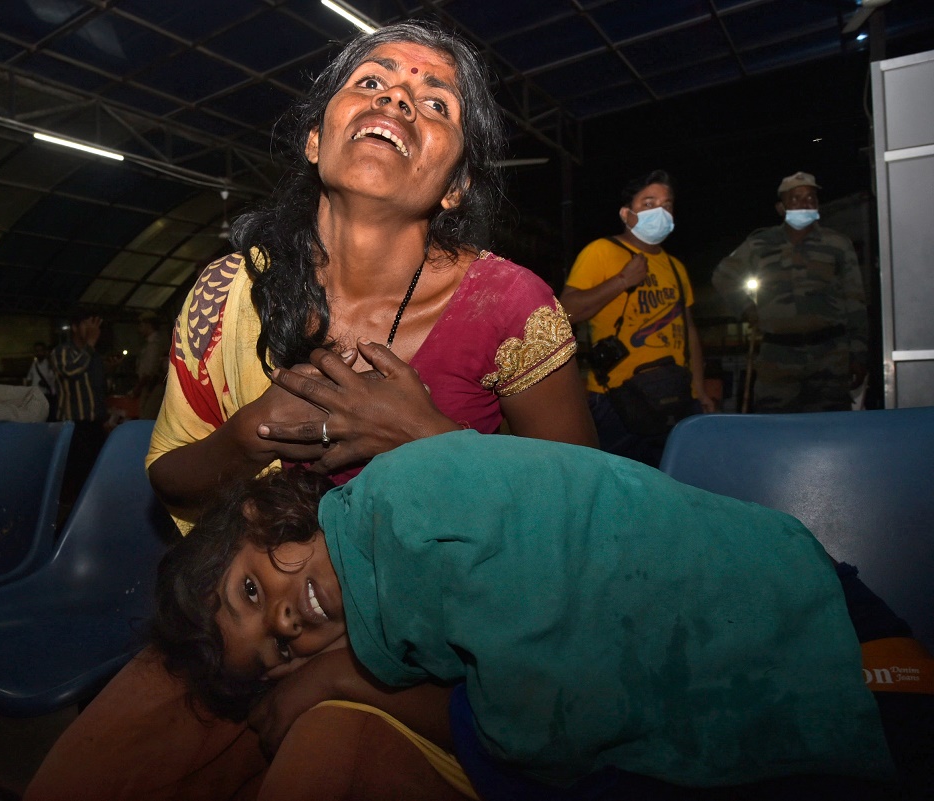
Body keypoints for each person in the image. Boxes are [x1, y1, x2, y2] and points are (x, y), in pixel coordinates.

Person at [26, 21, 596, 801]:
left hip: (427, 664)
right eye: (370, 80)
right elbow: (172, 481)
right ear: (312, 141)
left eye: (436, 102)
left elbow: (587, 536)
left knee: (328, 758)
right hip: (241, 632)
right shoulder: (226, 295)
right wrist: (246, 432)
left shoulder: (512, 308)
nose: (396, 95)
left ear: (456, 184)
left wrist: (427, 439)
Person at [153, 431, 898, 798]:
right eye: (278, 655)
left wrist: (335, 680)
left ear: (263, 516)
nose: (281, 623)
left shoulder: (400, 509)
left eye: (250, 591)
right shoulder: (392, 594)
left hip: (823, 630)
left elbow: (536, 730)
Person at [562, 170, 715, 468]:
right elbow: (567, 310)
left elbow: (689, 331)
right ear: (627, 214)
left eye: (667, 205)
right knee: (620, 488)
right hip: (617, 398)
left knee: (676, 483)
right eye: (648, 203)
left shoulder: (675, 266)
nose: (660, 211)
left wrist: (699, 389)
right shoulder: (601, 252)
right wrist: (622, 280)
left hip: (676, 393)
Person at [712, 172, 868, 412]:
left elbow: (855, 301)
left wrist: (858, 355)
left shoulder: (837, 244)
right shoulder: (760, 244)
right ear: (781, 207)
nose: (804, 204)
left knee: (830, 428)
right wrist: (746, 309)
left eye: (810, 198)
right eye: (795, 199)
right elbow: (723, 275)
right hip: (777, 357)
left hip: (830, 355)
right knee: (775, 427)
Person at [50, 309, 110, 506]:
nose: (93, 329)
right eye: (87, 324)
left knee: (96, 473)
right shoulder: (61, 352)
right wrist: (91, 344)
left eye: (95, 325)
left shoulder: (94, 355)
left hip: (94, 425)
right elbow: (71, 371)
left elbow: (99, 386)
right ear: (75, 327)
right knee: (75, 478)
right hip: (73, 425)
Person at [133, 311, 169, 420]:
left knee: (147, 416)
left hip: (151, 387)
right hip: (150, 386)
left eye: (141, 325)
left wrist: (138, 388)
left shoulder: (155, 345)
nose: (139, 329)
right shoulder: (154, 343)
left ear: (148, 325)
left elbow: (149, 371)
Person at [24, 341, 58, 419]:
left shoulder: (49, 364)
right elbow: (29, 378)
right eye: (36, 351)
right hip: (35, 396)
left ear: (44, 351)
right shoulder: (34, 364)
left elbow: (54, 378)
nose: (38, 353)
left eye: (40, 351)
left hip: (47, 395)